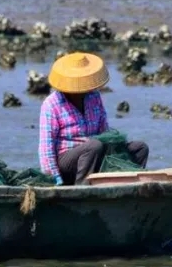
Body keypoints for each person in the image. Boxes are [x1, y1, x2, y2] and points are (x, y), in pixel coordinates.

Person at [38, 52, 149, 186]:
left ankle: (127, 186)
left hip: (95, 154)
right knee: (93, 145)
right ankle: (82, 189)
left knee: (140, 148)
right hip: (66, 161)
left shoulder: (94, 97)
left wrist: (115, 150)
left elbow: (104, 132)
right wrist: (55, 180)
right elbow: (46, 148)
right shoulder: (51, 104)